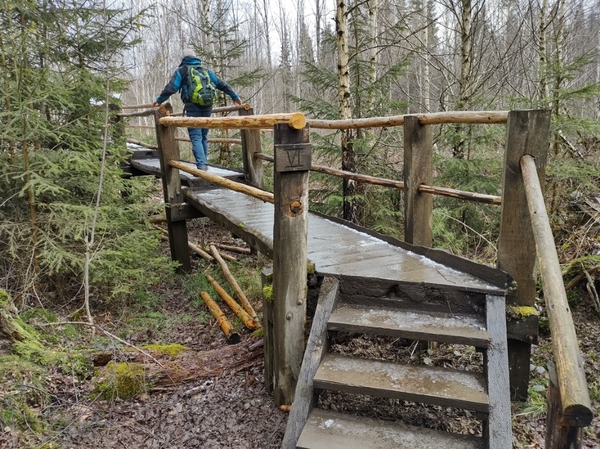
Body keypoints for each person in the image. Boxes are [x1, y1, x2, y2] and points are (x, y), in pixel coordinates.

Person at [152, 48, 242, 171]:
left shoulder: (182, 70)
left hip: (192, 107)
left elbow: (171, 88)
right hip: (207, 106)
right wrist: (235, 97)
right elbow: (222, 84)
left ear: (183, 59)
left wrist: (159, 100)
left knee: (196, 137)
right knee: (203, 136)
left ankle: (201, 166)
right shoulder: (206, 71)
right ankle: (204, 164)